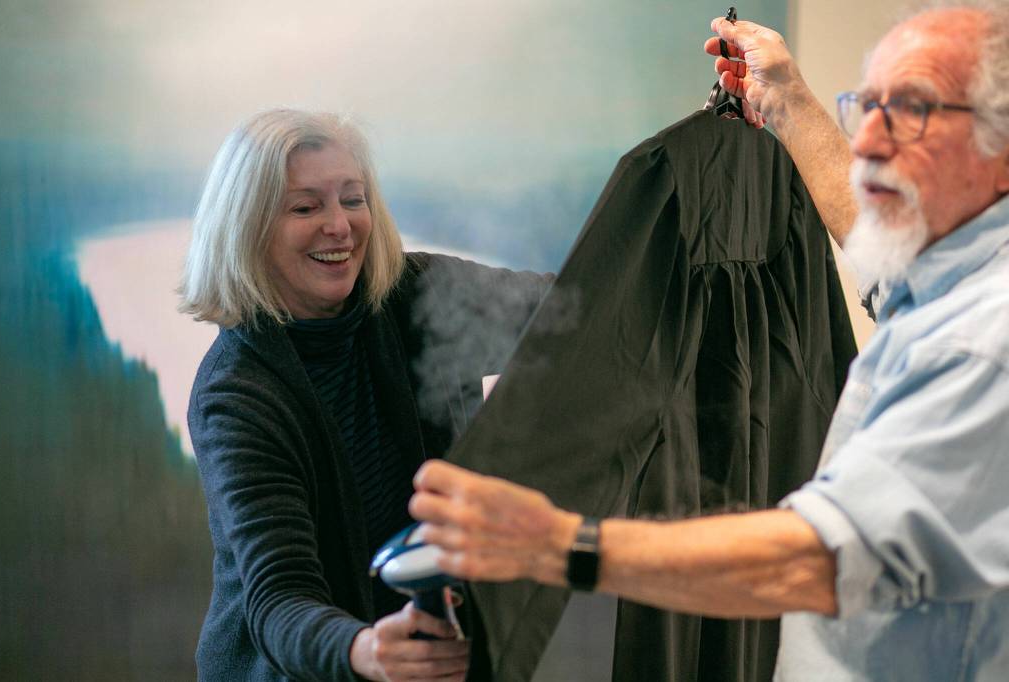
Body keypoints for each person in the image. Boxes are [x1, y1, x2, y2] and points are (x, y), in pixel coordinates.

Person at [409, 2, 1009, 679]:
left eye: (912, 110)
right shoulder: (953, 273)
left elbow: (822, 559)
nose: (868, 140)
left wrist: (560, 546)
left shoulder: (983, 345)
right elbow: (884, 262)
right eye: (867, 106)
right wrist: (788, 101)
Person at [179, 109, 550, 682]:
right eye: (305, 207)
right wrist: (367, 650)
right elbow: (279, 599)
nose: (340, 226)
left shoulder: (415, 297)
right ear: (249, 229)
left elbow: (569, 308)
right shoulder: (235, 395)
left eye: (353, 199)